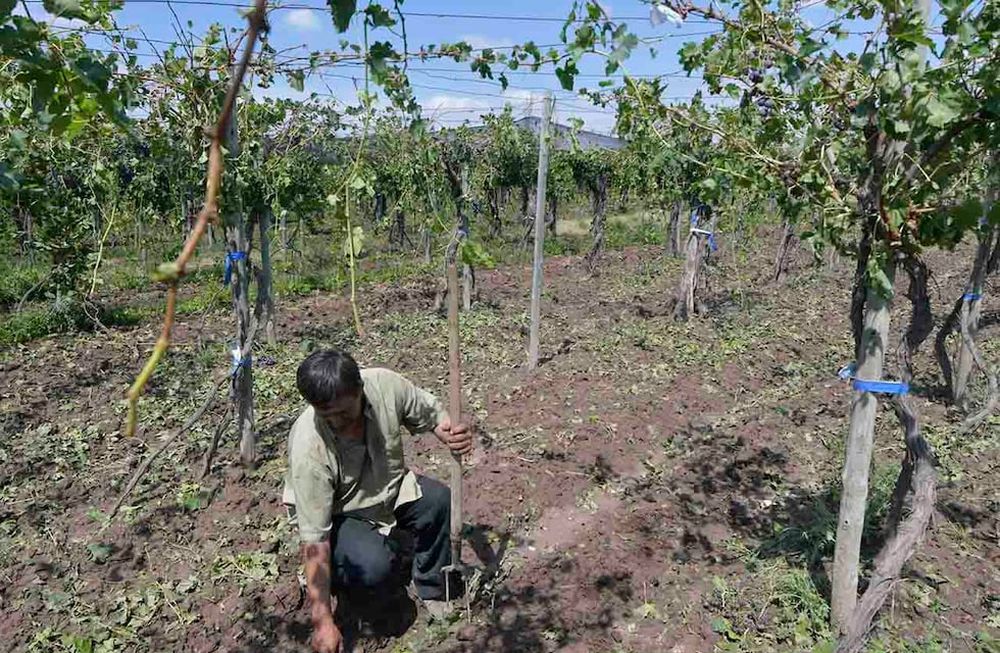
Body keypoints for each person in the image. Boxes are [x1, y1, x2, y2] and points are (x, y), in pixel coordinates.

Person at [283, 349, 472, 653]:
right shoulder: (309, 447)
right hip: (344, 513)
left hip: (390, 489)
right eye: (326, 416)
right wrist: (322, 622)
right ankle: (343, 582)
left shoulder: (384, 386)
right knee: (372, 566)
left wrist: (450, 432)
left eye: (343, 412)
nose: (336, 422)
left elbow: (430, 414)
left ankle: (433, 588)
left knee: (438, 501)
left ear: (360, 390)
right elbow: (315, 538)